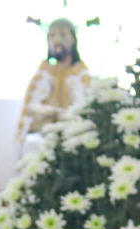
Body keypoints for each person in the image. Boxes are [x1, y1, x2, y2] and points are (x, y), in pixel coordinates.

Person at [17, 18, 92, 146]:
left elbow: (87, 110)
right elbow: (30, 109)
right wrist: (43, 111)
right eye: (52, 35)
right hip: (44, 137)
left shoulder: (82, 74)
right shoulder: (43, 73)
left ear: (73, 39)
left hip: (75, 135)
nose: (57, 40)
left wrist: (63, 115)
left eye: (63, 34)